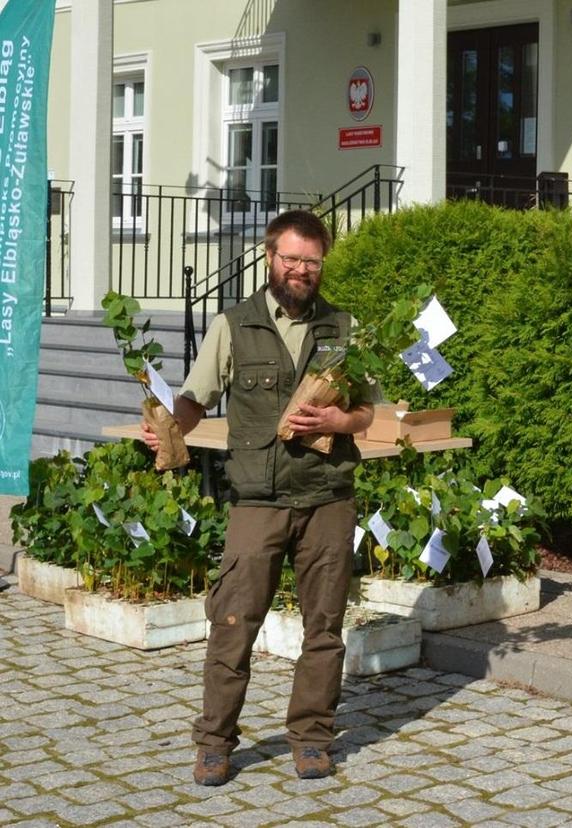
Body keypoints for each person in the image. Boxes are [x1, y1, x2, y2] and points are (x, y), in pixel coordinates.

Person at [142, 209, 375, 786]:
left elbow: (369, 411)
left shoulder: (345, 328)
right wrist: (170, 424)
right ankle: (215, 741)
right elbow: (197, 398)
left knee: (324, 628)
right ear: (269, 257)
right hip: (258, 501)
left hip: (327, 497)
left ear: (322, 265)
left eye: (311, 261)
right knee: (232, 621)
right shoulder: (232, 325)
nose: (300, 269)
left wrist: (339, 418)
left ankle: (313, 738)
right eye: (291, 258)